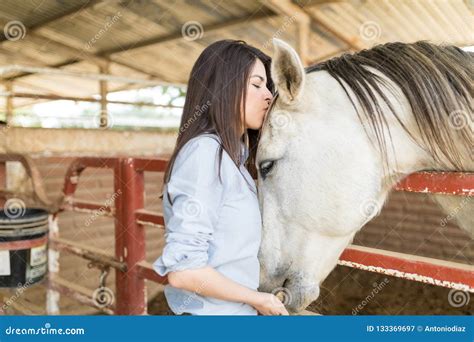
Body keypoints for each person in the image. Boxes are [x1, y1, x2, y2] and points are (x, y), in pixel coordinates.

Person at [153, 39, 289, 315]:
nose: (268, 96)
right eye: (256, 84)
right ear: (224, 87)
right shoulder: (205, 153)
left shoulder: (234, 159)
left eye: (267, 87)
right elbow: (184, 272)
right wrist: (258, 298)